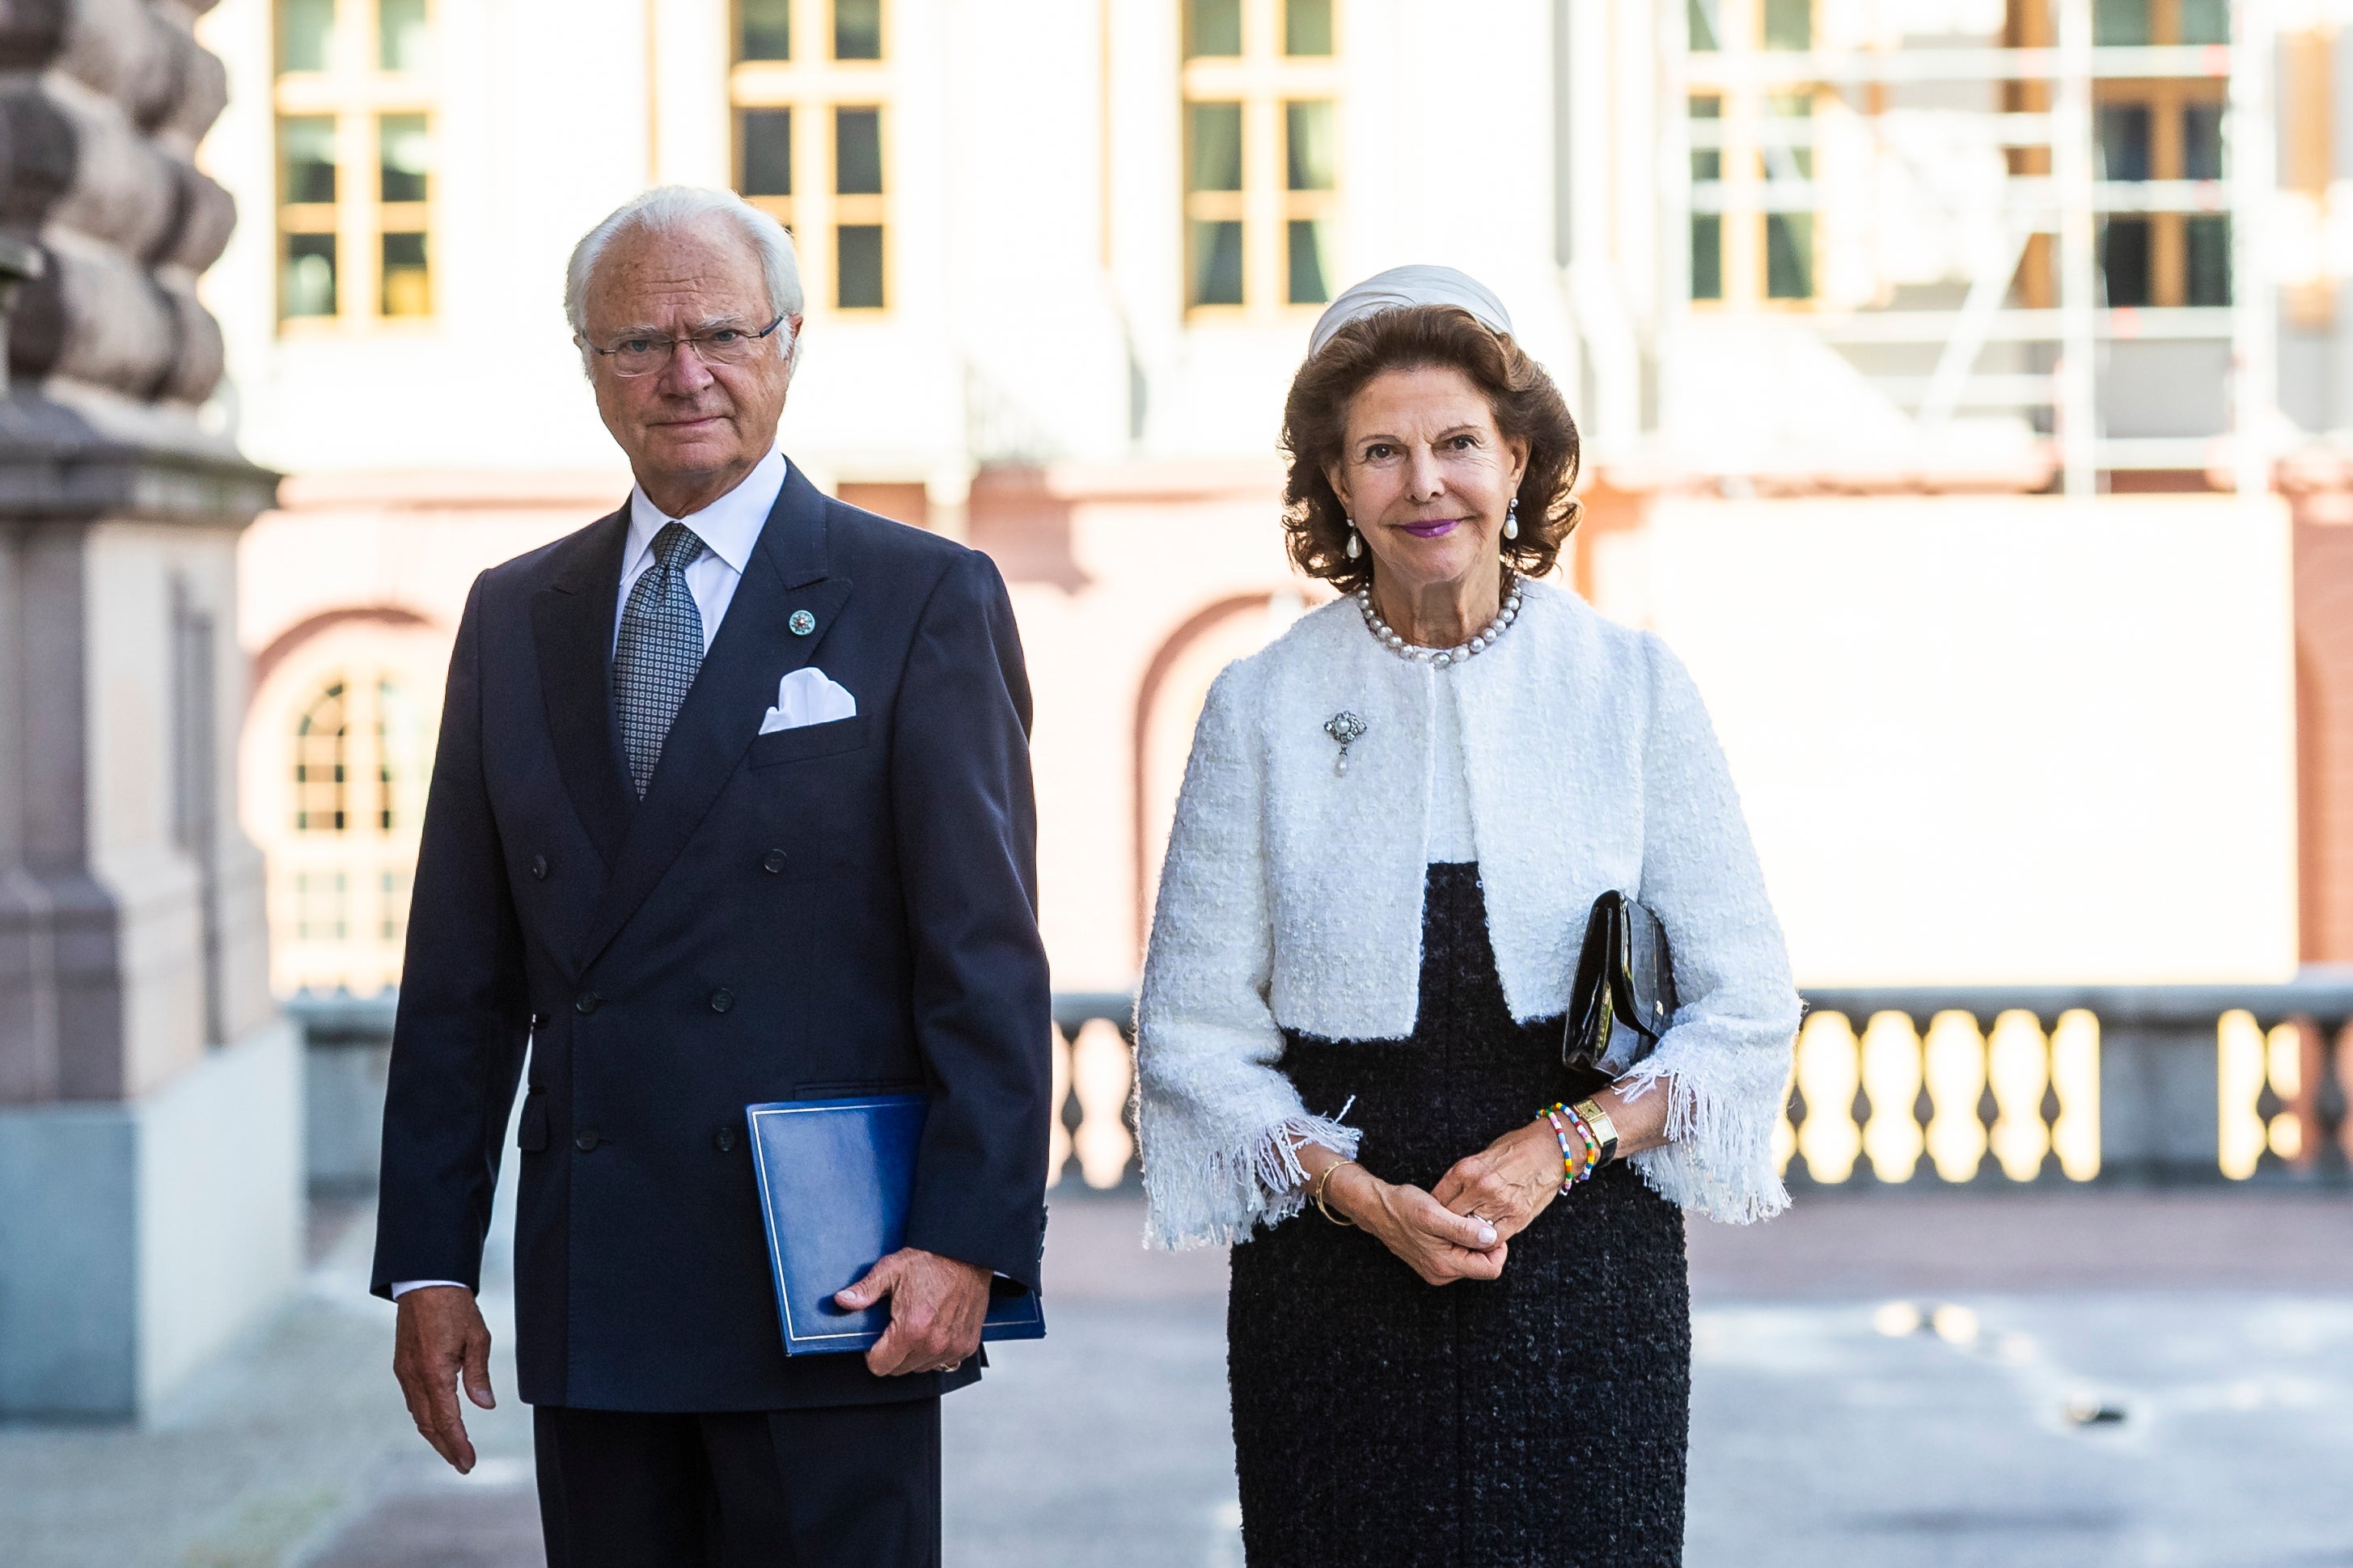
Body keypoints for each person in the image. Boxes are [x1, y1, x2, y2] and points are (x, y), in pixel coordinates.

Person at [370, 186, 1052, 1567]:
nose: (683, 375)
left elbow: (983, 955)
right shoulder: (514, 612)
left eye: (720, 333)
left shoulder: (922, 594)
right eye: (636, 344)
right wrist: (433, 1259)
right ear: (589, 367)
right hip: (599, 1279)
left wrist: (966, 1239)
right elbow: (462, 973)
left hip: (835, 1281)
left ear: (787, 345)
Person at [1134, 266, 1801, 1566]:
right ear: (1335, 484)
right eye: (1378, 452)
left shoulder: (1631, 686)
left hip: (1585, 1270)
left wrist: (1564, 1144)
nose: (1421, 482)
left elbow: (1746, 1006)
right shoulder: (1256, 706)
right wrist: (1357, 1197)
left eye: (1454, 443)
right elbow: (1191, 1039)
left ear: (1517, 459)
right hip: (1330, 1281)